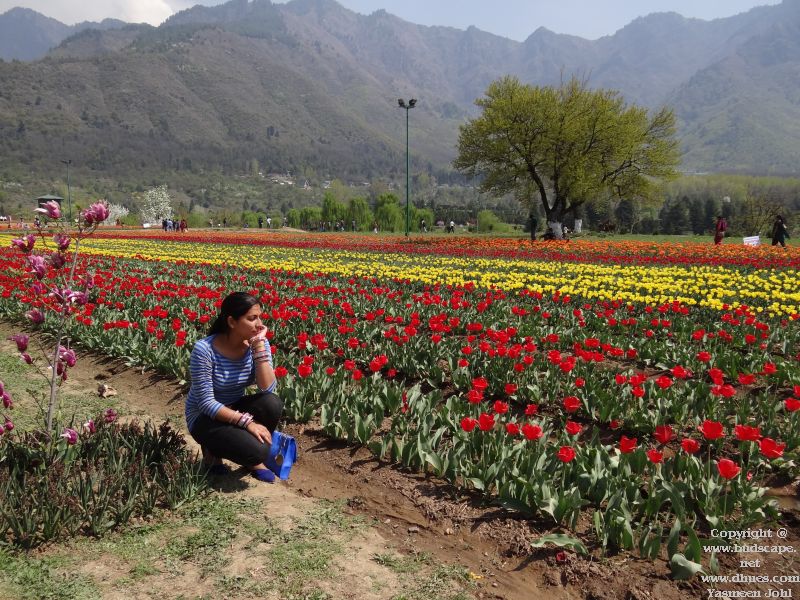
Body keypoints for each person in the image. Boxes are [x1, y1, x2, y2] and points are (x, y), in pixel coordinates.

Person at [185, 292, 283, 482]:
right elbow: (205, 403)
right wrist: (248, 423)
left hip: (234, 406)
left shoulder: (258, 343)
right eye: (252, 318)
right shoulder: (204, 350)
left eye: (260, 317)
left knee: (272, 403)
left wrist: (259, 347)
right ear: (231, 322)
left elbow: (267, 388)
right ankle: (213, 451)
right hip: (204, 417)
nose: (260, 324)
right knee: (258, 451)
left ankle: (250, 458)